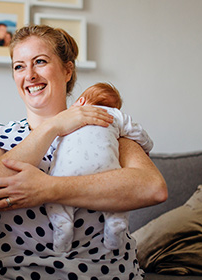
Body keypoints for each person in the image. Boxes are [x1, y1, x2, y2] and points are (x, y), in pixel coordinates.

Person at [0, 24, 167, 279]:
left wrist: (48, 188)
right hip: (15, 273)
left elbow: (152, 188)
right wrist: (54, 125)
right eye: (19, 66)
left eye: (40, 62)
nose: (30, 75)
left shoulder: (102, 124)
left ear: (67, 70)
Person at [47, 82, 153, 253]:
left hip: (66, 171)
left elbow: (51, 142)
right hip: (105, 169)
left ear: (80, 101)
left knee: (54, 199)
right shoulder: (115, 115)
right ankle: (115, 223)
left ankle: (63, 227)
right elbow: (138, 132)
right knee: (117, 193)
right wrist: (146, 147)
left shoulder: (67, 117)